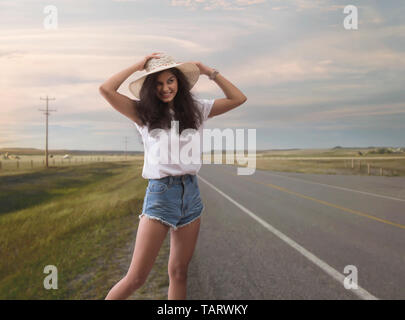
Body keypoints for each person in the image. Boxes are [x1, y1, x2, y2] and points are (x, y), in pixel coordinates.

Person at [99, 52, 247, 300]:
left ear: (179, 81)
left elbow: (238, 98)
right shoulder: (142, 113)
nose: (165, 88)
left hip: (191, 194)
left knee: (179, 273)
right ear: (150, 87)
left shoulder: (198, 110)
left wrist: (207, 70)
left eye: (170, 81)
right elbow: (106, 89)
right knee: (136, 278)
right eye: (157, 83)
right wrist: (138, 66)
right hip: (161, 194)